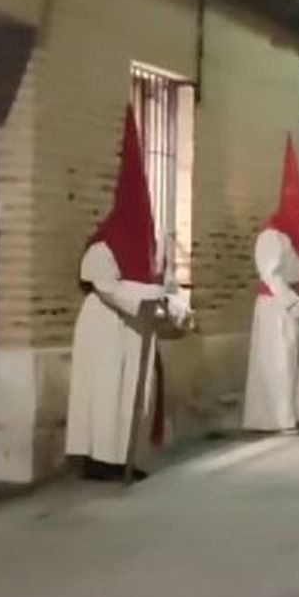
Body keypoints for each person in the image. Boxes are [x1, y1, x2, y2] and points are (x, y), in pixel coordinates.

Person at [67, 107, 190, 481]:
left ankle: (124, 457)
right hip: (106, 327)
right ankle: (99, 460)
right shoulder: (102, 247)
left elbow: (155, 286)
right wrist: (155, 296)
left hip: (133, 329)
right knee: (104, 393)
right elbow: (107, 286)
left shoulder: (144, 248)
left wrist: (171, 302)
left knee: (127, 398)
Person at [243, 137, 299, 433]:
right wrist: (291, 300)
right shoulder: (272, 236)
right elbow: (271, 272)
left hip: (297, 306)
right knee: (279, 363)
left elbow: (298, 266)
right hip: (278, 308)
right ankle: (276, 417)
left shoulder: (295, 237)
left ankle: (293, 412)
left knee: (296, 364)